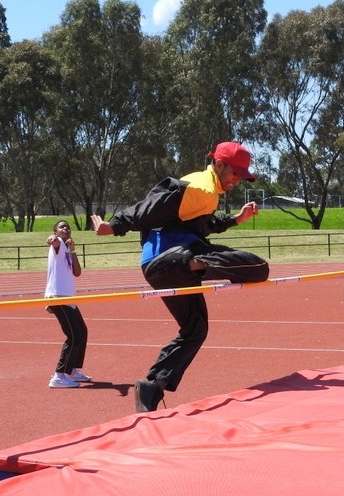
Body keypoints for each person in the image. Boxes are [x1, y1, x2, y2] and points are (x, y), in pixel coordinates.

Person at [91, 141, 269, 412]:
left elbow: (202, 225)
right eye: (235, 173)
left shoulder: (208, 192)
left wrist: (236, 219)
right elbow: (153, 205)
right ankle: (198, 260)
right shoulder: (199, 186)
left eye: (242, 177)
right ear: (219, 165)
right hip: (168, 260)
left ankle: (153, 387)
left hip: (171, 268)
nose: (237, 181)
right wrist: (115, 226)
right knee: (258, 267)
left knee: (196, 329)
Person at [44, 220, 91, 389]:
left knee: (82, 332)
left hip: (68, 297)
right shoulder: (57, 245)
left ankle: (71, 371)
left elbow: (77, 272)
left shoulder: (67, 248)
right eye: (61, 227)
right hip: (58, 296)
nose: (66, 228)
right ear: (56, 231)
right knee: (73, 336)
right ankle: (58, 375)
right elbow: (52, 241)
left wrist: (73, 250)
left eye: (67, 227)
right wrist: (52, 239)